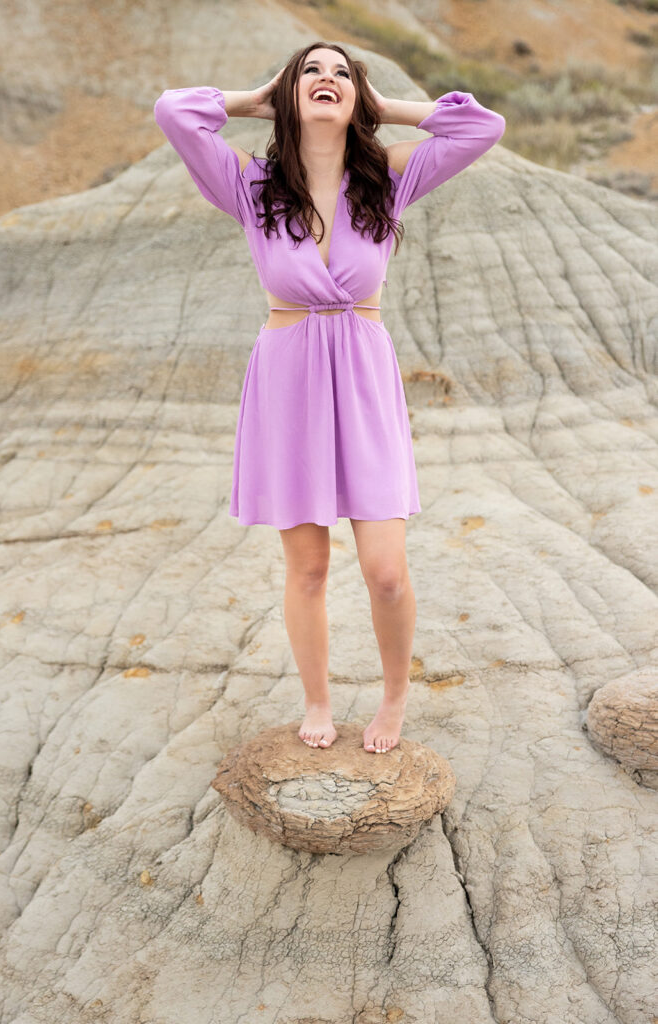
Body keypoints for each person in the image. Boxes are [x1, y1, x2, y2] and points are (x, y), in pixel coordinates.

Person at [153, 41, 506, 756]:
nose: (326, 80)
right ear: (290, 93)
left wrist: (380, 107)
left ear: (358, 99)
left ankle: (394, 697)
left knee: (385, 571)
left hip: (364, 373)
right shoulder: (249, 185)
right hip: (288, 378)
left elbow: (479, 128)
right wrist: (259, 97)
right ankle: (316, 700)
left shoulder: (389, 179)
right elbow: (175, 112)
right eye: (310, 71)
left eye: (341, 74)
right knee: (308, 568)